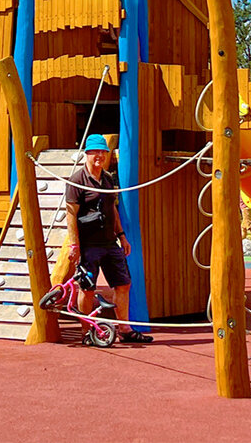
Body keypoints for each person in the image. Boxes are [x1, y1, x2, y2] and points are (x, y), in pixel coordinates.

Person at [63, 134, 152, 344]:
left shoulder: (108, 178)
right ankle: (86, 332)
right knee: (88, 288)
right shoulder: (77, 180)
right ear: (87, 153)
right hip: (88, 245)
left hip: (110, 243)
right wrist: (74, 244)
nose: (100, 156)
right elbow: (70, 214)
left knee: (123, 284)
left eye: (103, 152)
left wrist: (122, 236)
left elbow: (112, 208)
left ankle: (125, 329)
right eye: (95, 152)